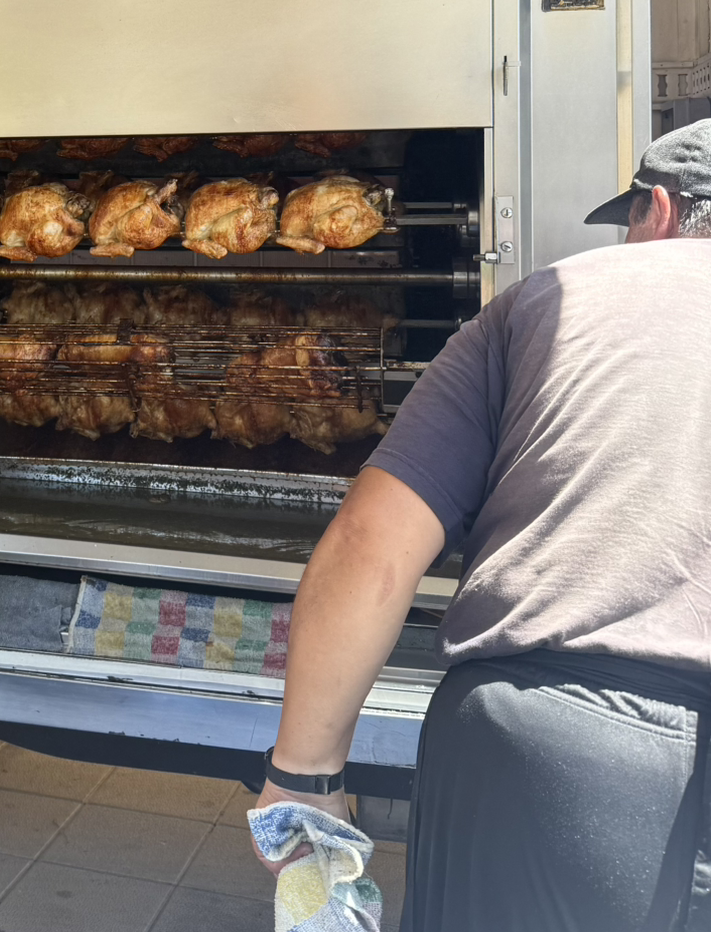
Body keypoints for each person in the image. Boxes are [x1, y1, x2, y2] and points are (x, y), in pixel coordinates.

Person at [251, 121, 711, 932]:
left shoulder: (548, 300)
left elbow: (372, 544)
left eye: (631, 220)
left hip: (553, 742)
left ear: (662, 210)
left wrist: (303, 778)